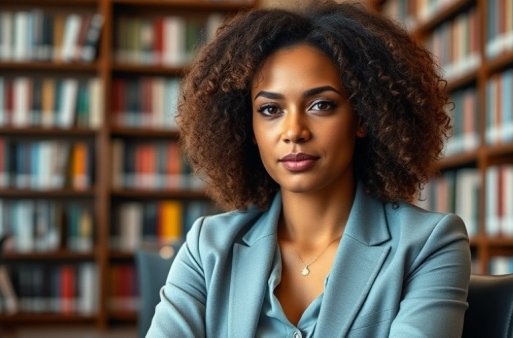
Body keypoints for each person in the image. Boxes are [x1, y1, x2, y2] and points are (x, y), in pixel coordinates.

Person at [146, 1, 471, 337]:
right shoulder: (208, 247)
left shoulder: (428, 244)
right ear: (249, 128)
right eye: (271, 109)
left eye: (321, 105)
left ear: (363, 116)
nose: (294, 131)